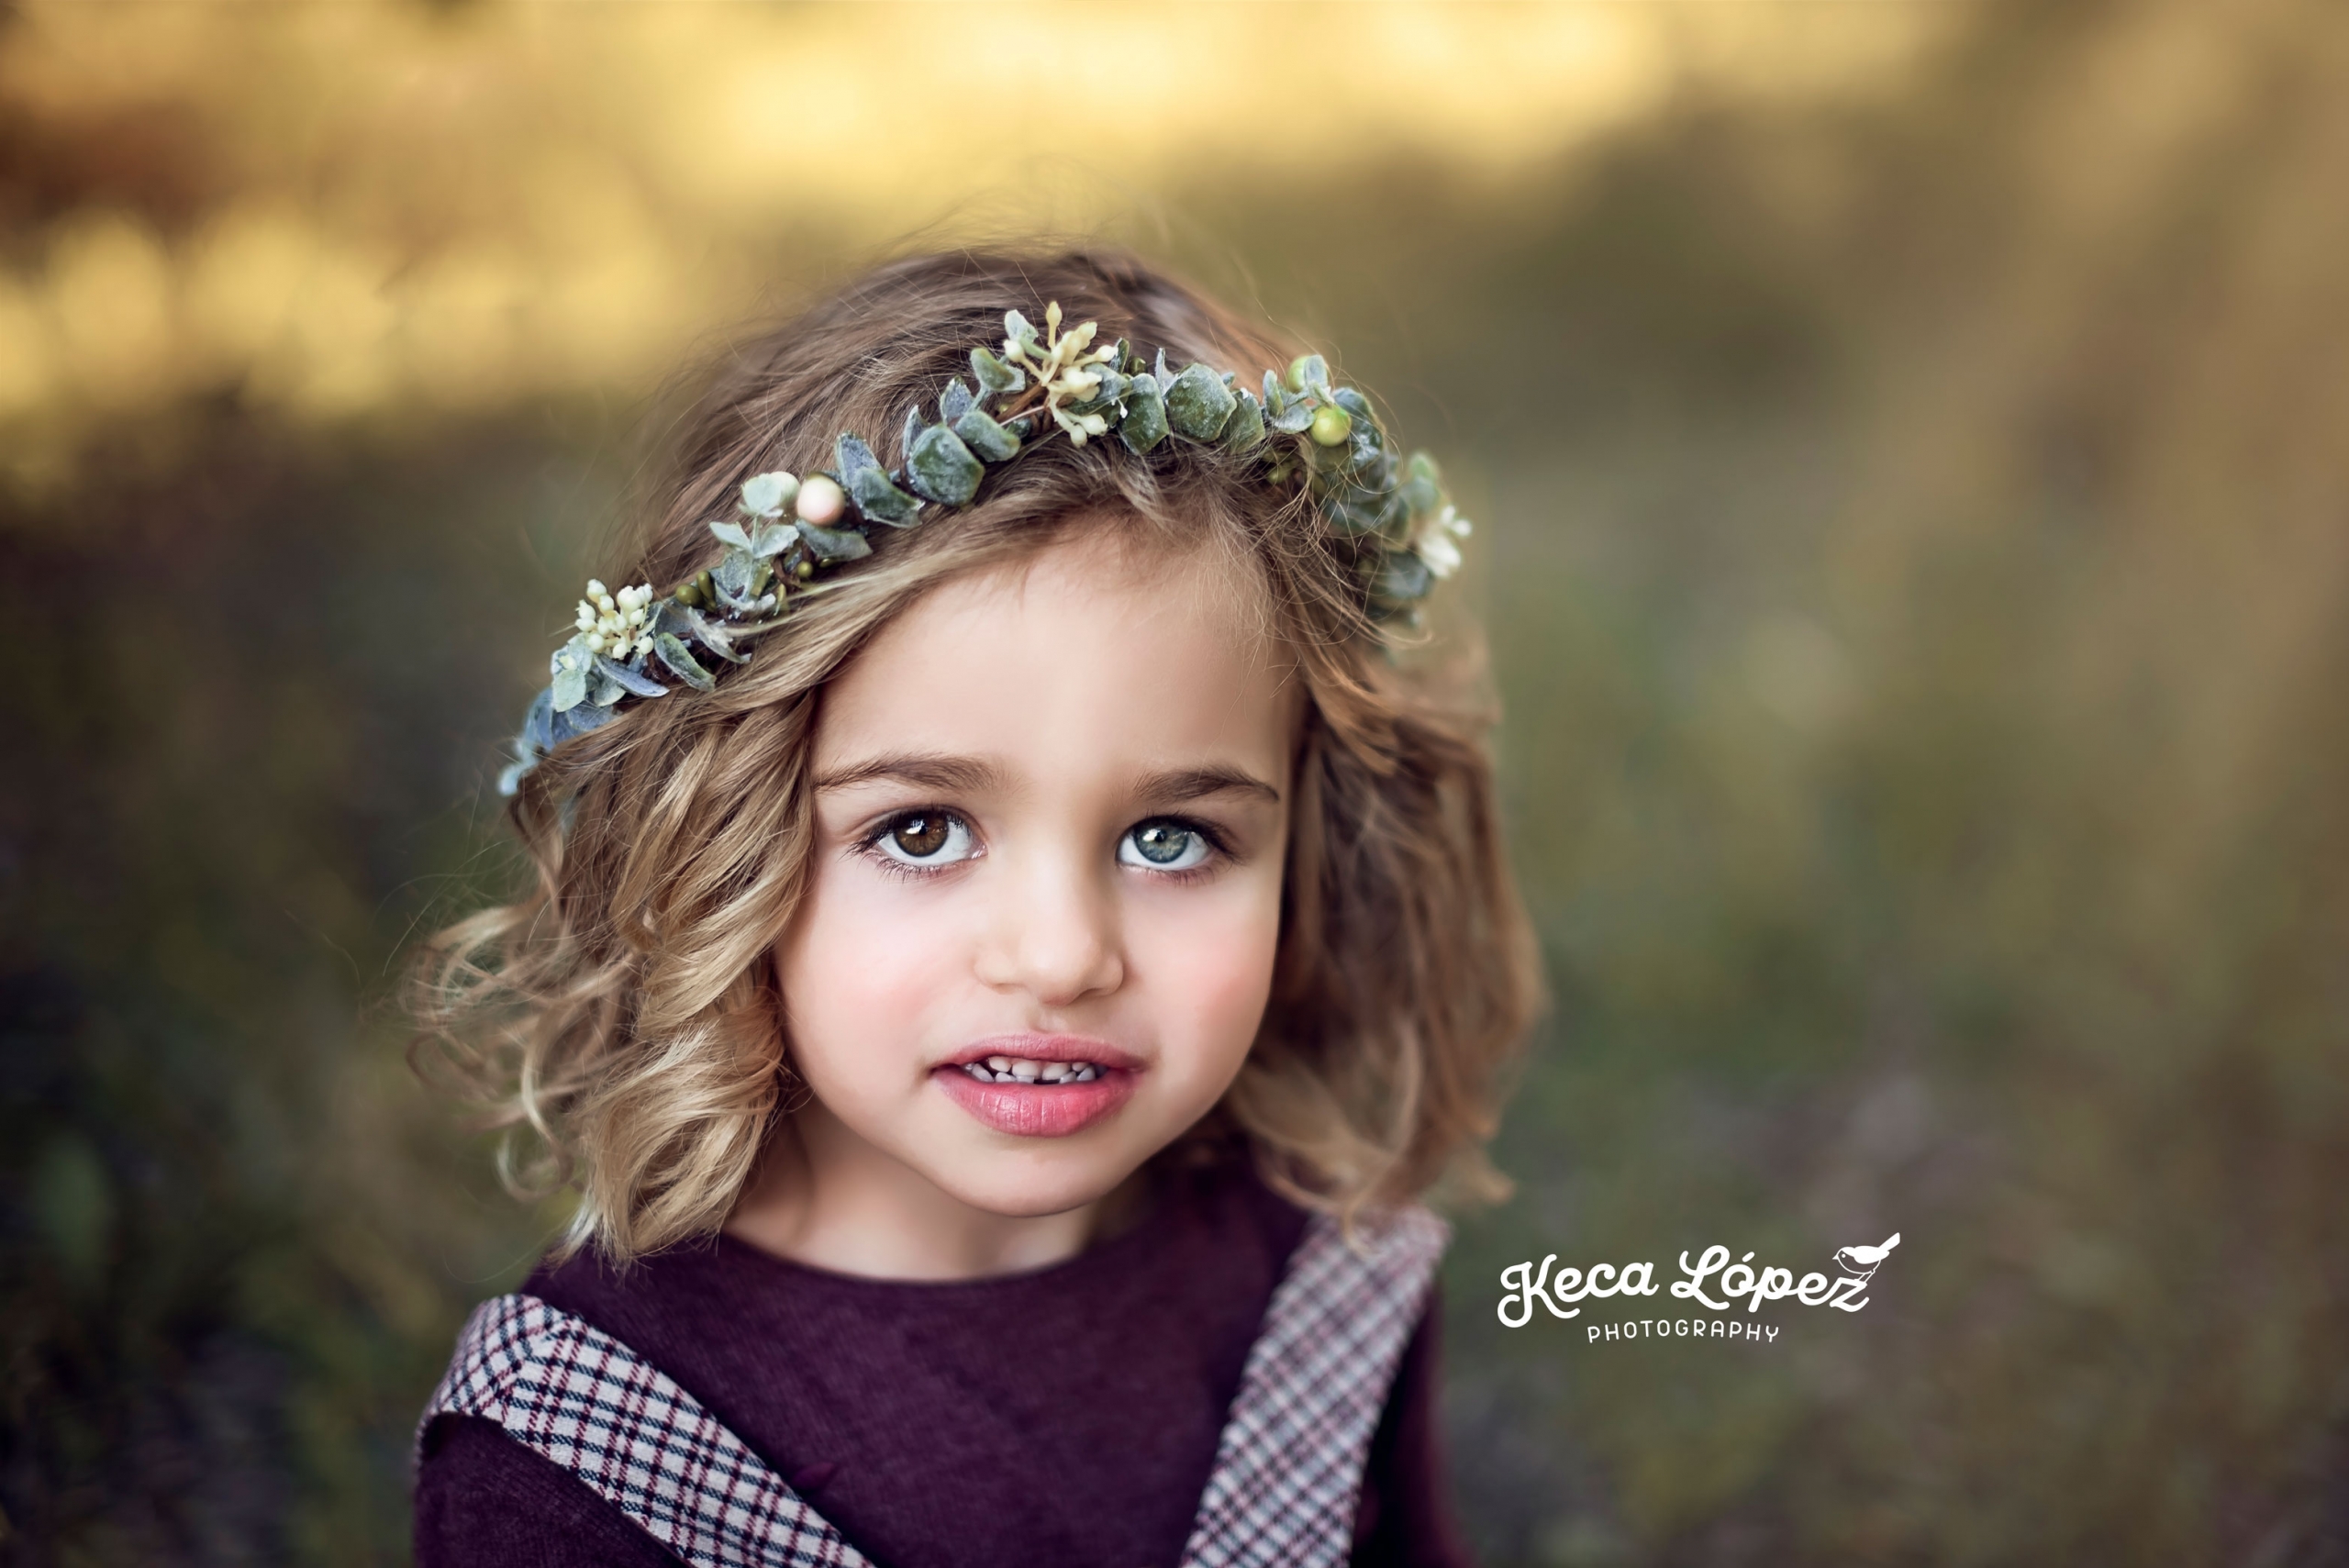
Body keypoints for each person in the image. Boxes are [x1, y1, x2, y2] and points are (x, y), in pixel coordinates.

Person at [406, 247, 1541, 1568]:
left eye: (1172, 836)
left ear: (1309, 842)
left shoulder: (1321, 1284)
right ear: (724, 837)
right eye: (923, 829)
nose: (1061, 956)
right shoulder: (574, 1456)